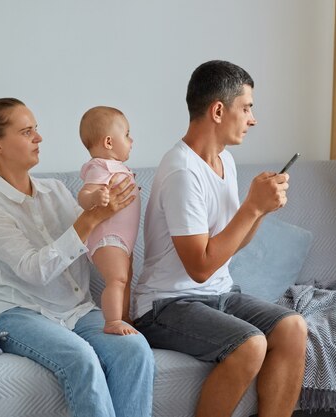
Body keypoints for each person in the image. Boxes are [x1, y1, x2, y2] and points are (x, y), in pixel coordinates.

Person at [0, 98, 154, 417]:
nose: (39, 138)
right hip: (18, 313)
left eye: (36, 130)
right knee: (80, 358)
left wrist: (115, 223)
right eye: (27, 131)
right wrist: (92, 218)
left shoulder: (56, 190)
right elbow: (35, 270)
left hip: (75, 309)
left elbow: (91, 242)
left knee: (135, 349)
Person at [132, 60, 308, 417]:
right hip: (166, 304)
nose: (252, 119)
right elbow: (199, 266)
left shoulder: (225, 162)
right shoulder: (182, 171)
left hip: (220, 294)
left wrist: (259, 210)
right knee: (250, 344)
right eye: (246, 108)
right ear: (217, 110)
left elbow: (232, 244)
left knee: (292, 327)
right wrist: (250, 209)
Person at [77, 106, 140, 335]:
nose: (131, 140)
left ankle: (124, 317)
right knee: (117, 278)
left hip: (123, 240)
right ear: (109, 142)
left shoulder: (119, 168)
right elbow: (84, 195)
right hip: (108, 237)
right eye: (126, 134)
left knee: (125, 278)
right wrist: (95, 197)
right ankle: (112, 321)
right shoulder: (100, 166)